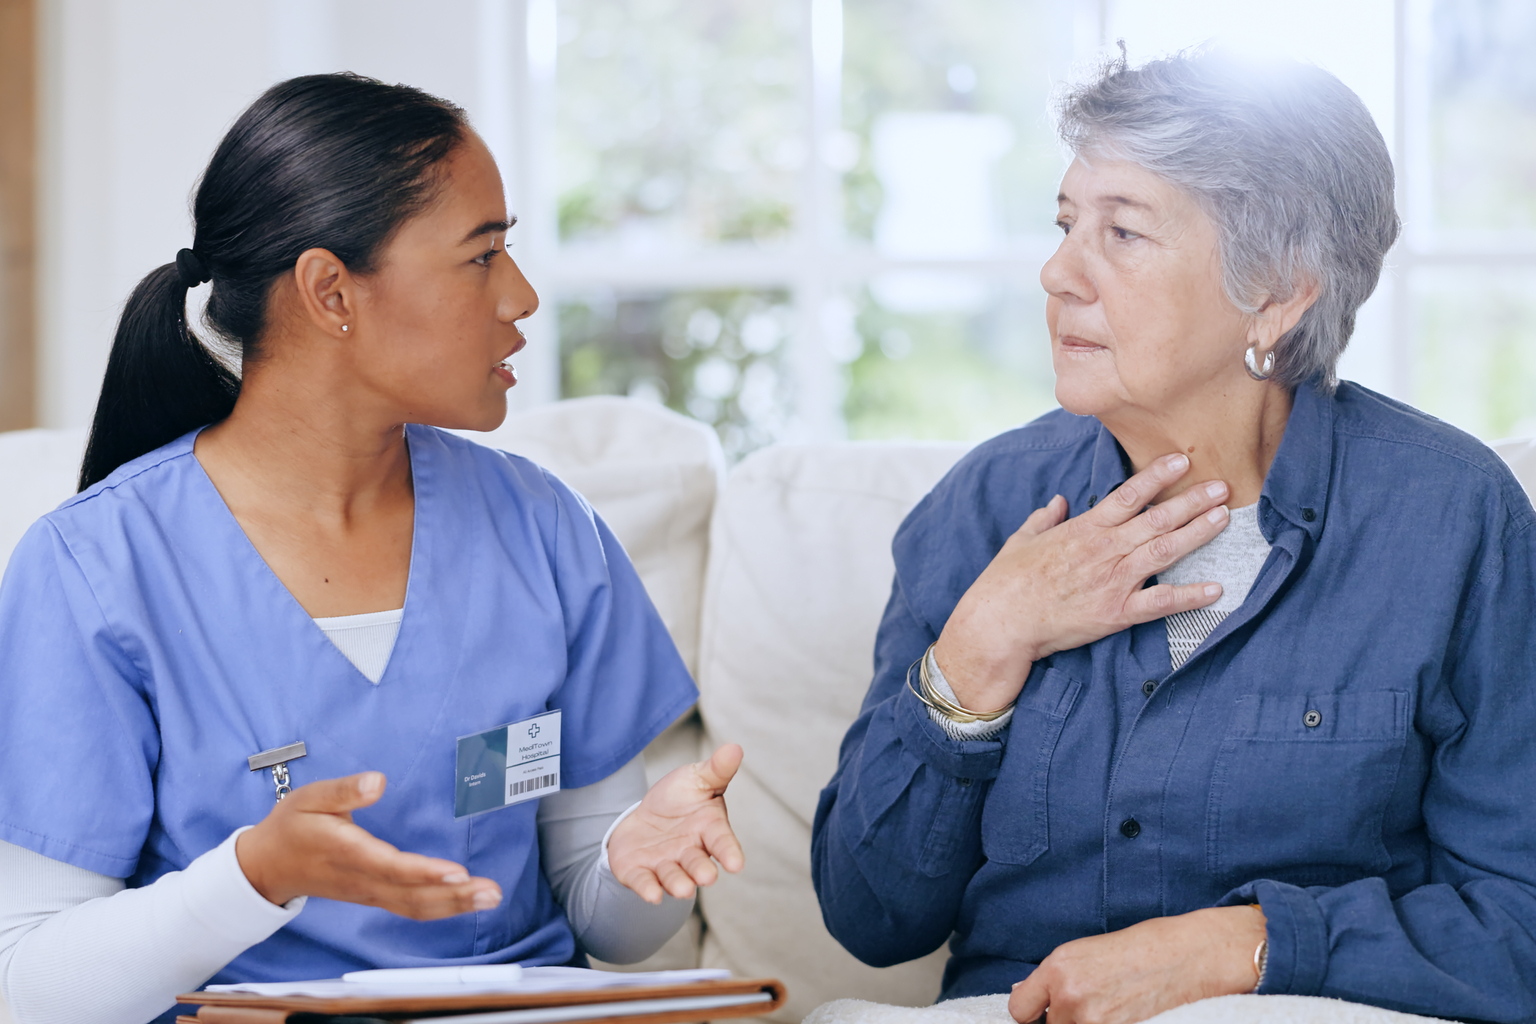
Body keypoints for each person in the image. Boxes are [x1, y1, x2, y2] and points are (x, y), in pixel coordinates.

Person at [811, 49, 1536, 1024]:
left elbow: (1520, 929)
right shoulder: (986, 507)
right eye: (1067, 224)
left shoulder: (1452, 519)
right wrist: (980, 648)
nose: (1057, 271)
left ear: (1278, 290)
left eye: (1122, 231)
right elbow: (870, 917)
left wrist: (1239, 946)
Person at [0, 74, 744, 1024]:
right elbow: (30, 989)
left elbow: (601, 919)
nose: (521, 297)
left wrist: (654, 864)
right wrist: (253, 877)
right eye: (482, 257)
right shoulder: (94, 568)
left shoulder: (546, 530)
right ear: (330, 292)